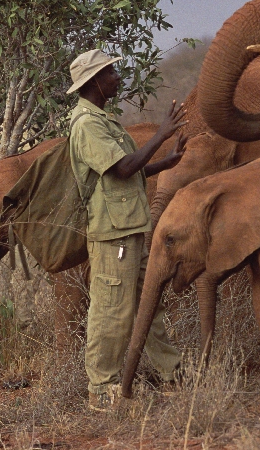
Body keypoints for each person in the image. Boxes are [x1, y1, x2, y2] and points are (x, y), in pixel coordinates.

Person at [65, 48, 188, 409]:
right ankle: (101, 391)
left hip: (130, 226)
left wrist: (167, 161)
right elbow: (121, 169)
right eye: (110, 74)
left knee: (149, 305)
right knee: (111, 310)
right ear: (93, 83)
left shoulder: (104, 120)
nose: (117, 79)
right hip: (112, 233)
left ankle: (172, 374)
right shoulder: (87, 125)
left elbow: (127, 174)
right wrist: (161, 134)